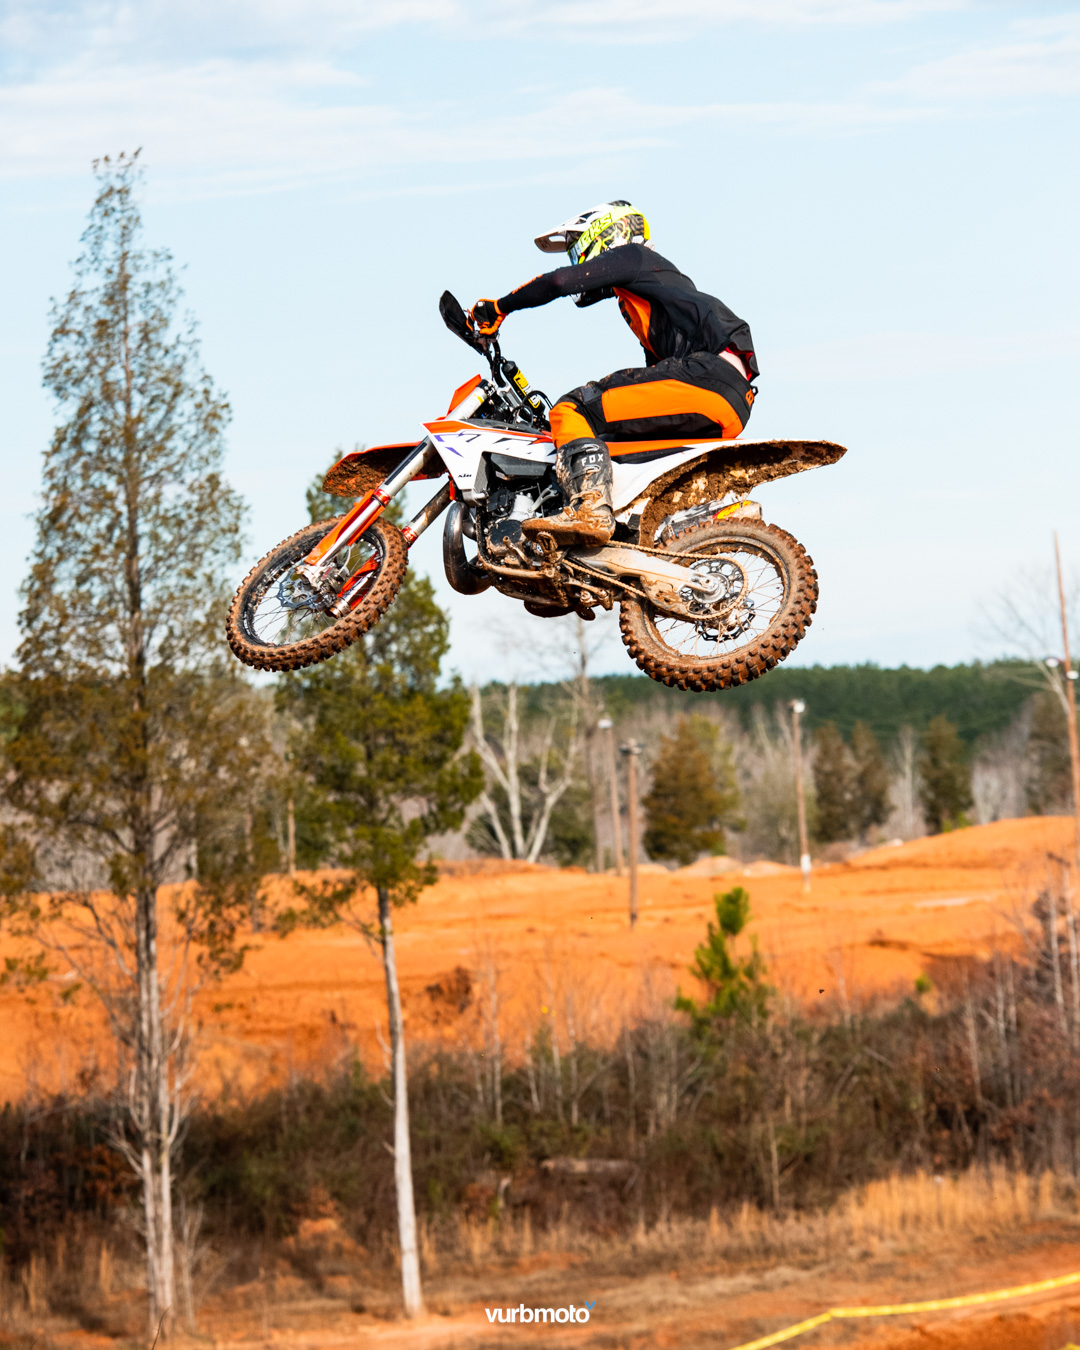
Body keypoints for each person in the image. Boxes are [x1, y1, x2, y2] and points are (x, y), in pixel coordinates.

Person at [470, 201, 758, 547]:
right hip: (726, 401)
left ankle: (590, 510)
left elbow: (559, 281)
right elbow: (654, 378)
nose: (579, 262)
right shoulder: (648, 299)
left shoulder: (635, 256)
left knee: (573, 409)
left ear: (606, 234)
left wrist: (499, 307)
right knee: (608, 441)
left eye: (578, 250)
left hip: (709, 377)